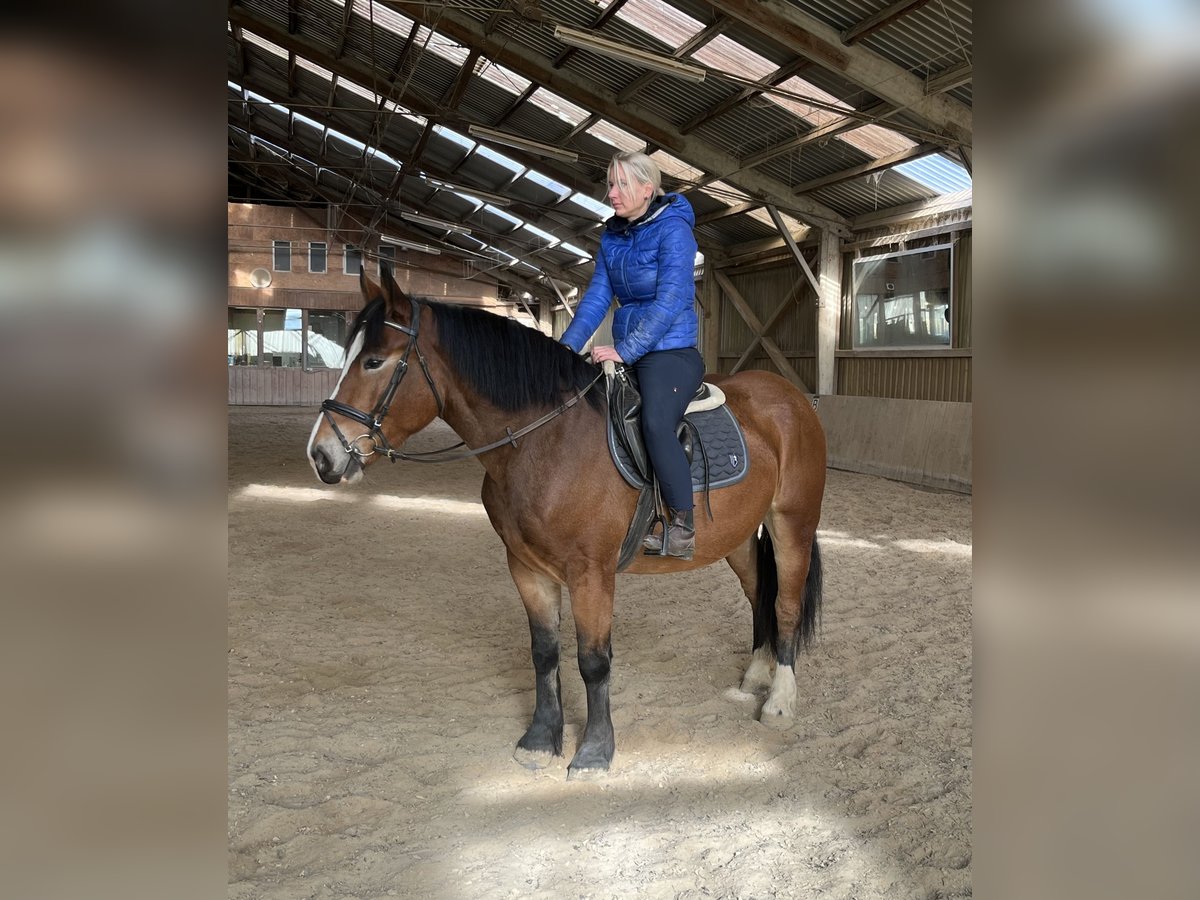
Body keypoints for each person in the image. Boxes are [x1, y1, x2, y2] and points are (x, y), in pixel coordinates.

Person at [561, 151, 704, 560]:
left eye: (622, 184)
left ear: (647, 188)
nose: (612, 194)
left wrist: (624, 350)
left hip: (670, 352)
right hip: (628, 350)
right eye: (610, 184)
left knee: (656, 422)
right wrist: (565, 347)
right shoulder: (612, 236)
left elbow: (673, 298)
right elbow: (597, 298)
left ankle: (682, 525)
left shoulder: (674, 230)